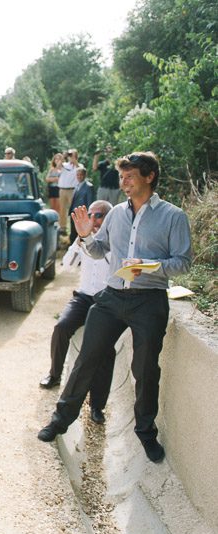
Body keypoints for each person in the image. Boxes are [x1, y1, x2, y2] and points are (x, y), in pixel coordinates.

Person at [38, 152, 192, 463]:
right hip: (111, 297)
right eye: (121, 176)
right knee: (86, 360)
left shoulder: (173, 216)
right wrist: (84, 235)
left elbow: (183, 263)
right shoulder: (116, 213)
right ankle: (60, 421)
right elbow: (98, 251)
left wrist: (149, 266)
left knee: (145, 369)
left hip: (149, 301)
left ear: (149, 177)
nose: (123, 182)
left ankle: (146, 433)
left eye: (130, 176)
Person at [39, 200, 115, 424]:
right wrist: (78, 242)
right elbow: (67, 266)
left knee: (105, 349)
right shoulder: (82, 238)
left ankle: (97, 405)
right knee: (61, 327)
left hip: (106, 299)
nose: (93, 220)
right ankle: (54, 374)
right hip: (83, 295)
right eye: (90, 215)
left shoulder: (114, 240)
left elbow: (114, 265)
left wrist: (93, 241)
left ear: (107, 219)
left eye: (98, 215)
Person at [57, 150, 80, 234]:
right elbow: (58, 167)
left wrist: (75, 160)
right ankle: (63, 227)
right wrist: (63, 156)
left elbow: (80, 170)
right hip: (63, 189)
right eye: (70, 155)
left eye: (72, 155)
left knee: (74, 210)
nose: (70, 156)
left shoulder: (79, 166)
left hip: (72, 190)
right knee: (62, 209)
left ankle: (75, 227)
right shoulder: (65, 165)